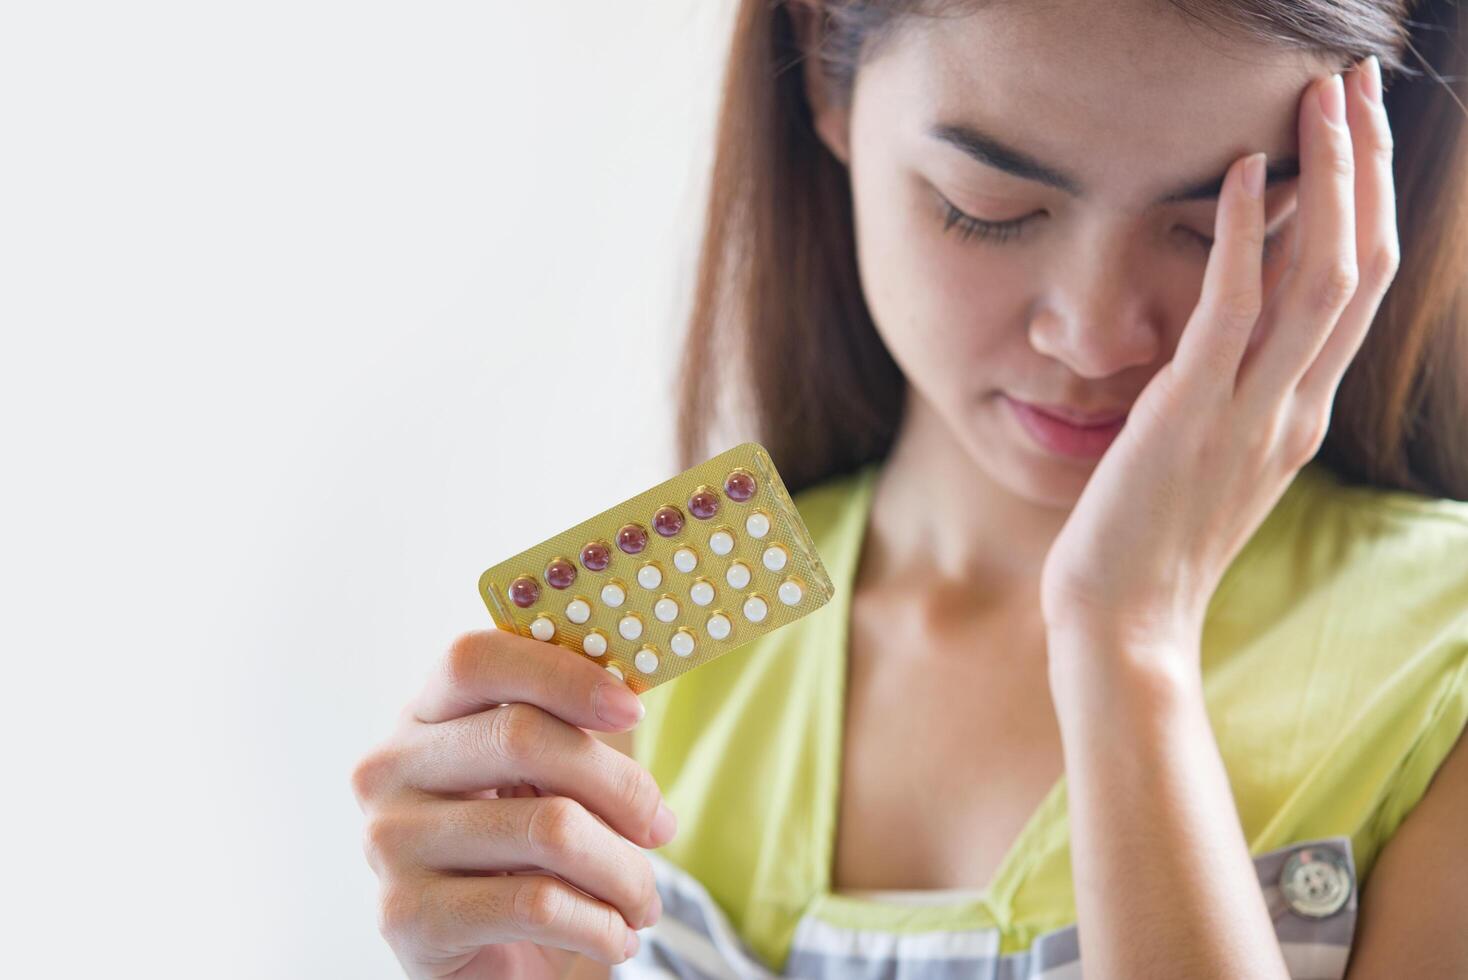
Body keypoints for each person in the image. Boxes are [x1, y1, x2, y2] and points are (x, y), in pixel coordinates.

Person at [350, 0, 1468, 976]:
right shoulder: (641, 647)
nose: (1090, 334)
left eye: (1221, 227)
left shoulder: (1440, 657)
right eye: (986, 204)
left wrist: (1126, 640)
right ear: (822, 73)